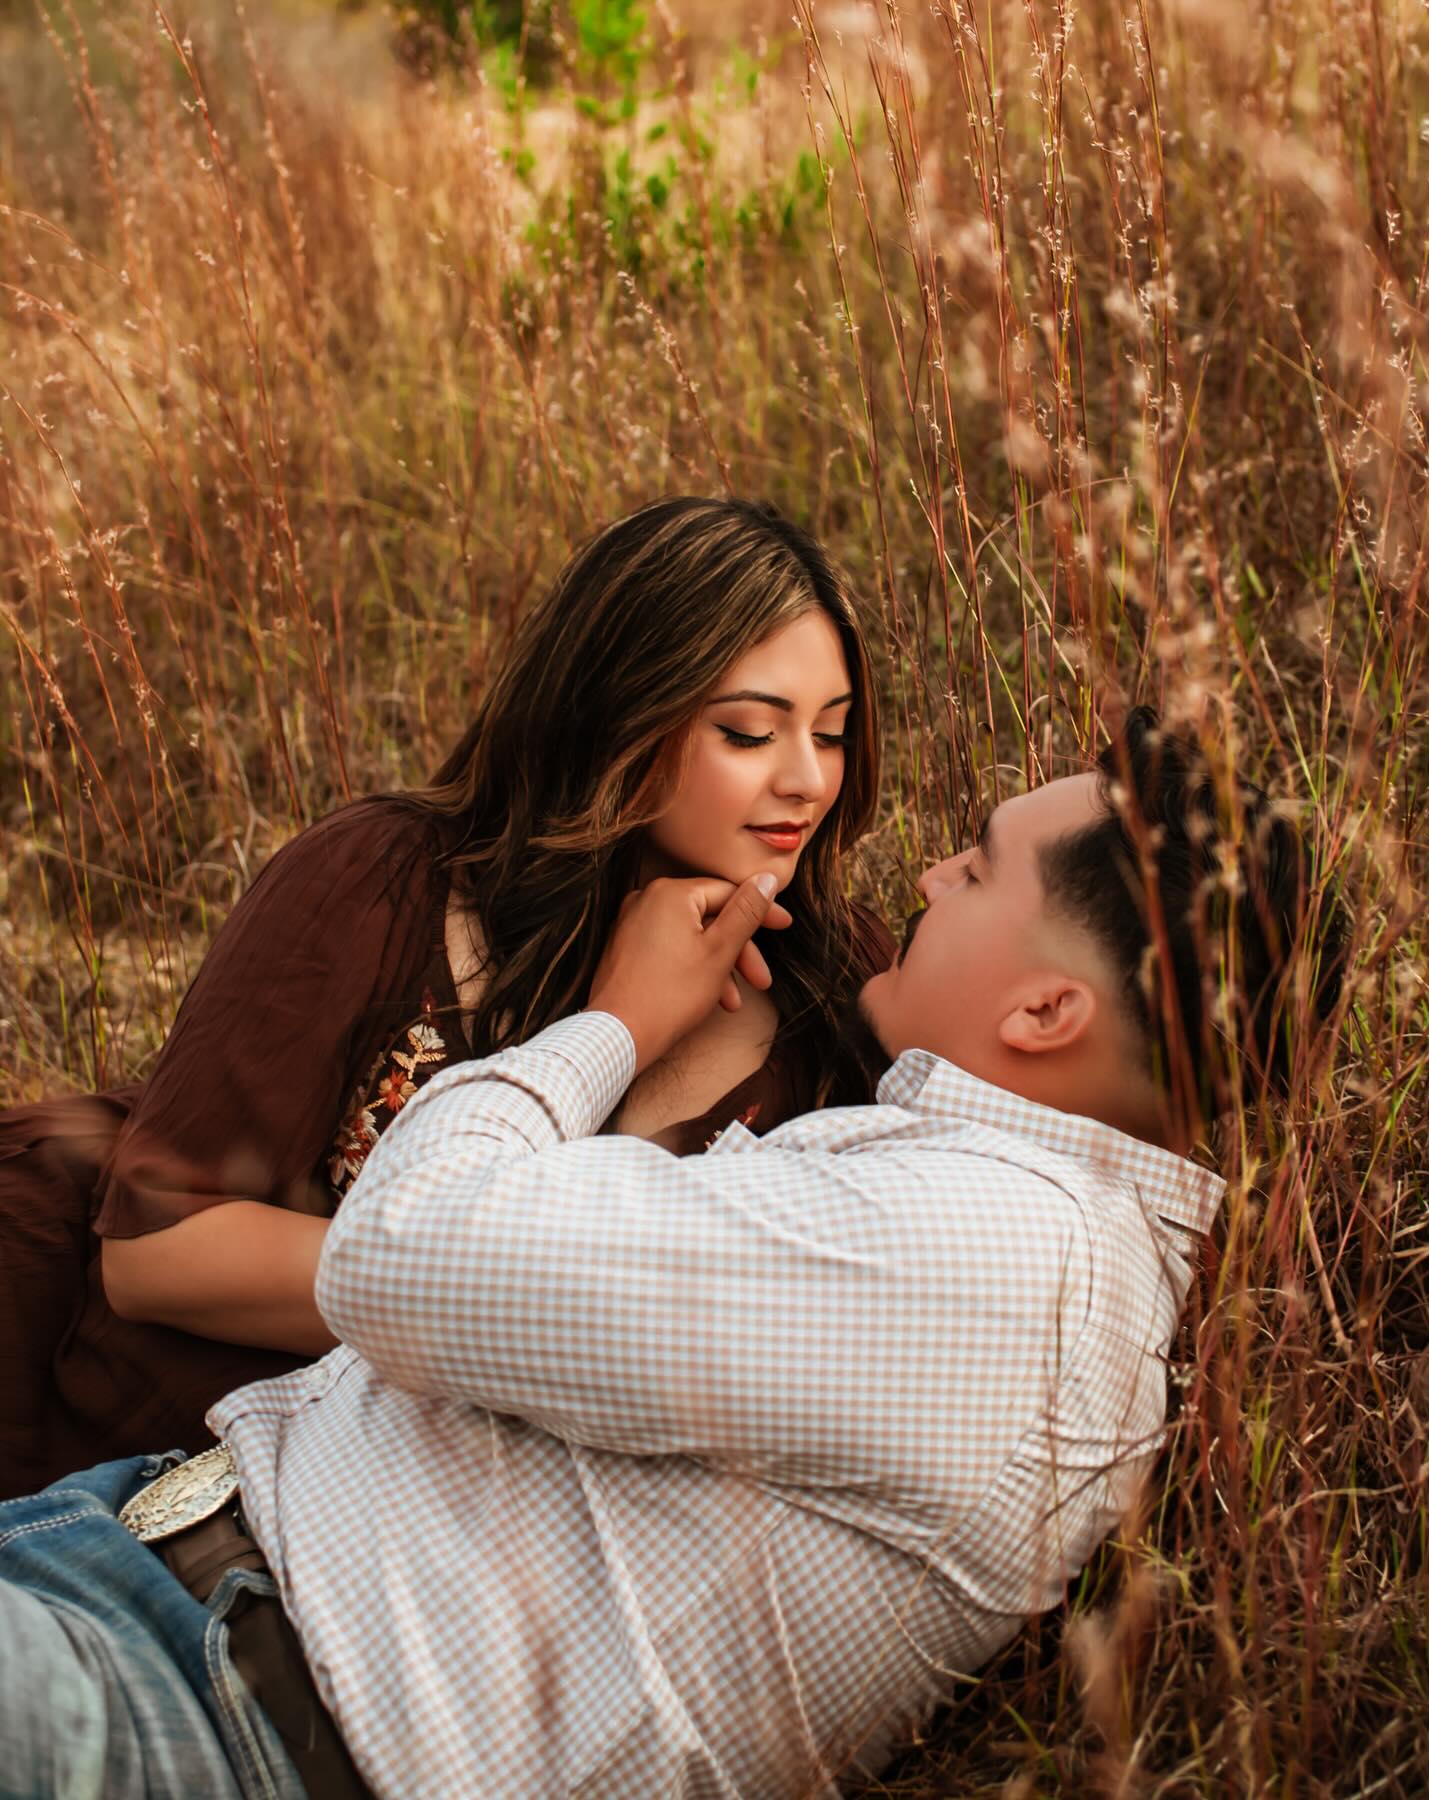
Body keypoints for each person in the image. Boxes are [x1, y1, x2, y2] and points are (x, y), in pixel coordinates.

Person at [0, 709, 1349, 1800]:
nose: (934, 875)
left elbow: (399, 1257)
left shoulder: (1007, 1264)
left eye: (981, 869)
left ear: (1049, 1007)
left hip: (207, 1705)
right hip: (162, 1596)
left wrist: (612, 1025)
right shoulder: (1001, 1223)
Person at [0, 496, 893, 1499]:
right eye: (748, 733)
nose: (809, 780)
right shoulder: (386, 879)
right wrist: (618, 1043)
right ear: (618, 712)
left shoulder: (840, 987)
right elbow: (160, 1251)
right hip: (112, 1450)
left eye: (835, 733)